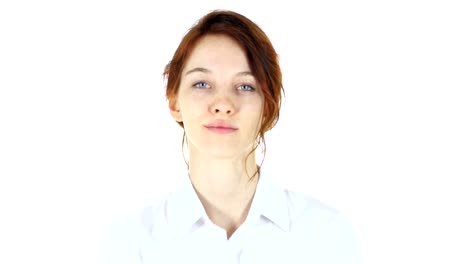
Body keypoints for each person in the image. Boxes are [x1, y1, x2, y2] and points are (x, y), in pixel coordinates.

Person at [105, 9, 362, 264]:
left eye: (245, 86)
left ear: (267, 107)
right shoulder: (131, 243)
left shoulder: (326, 235)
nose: (223, 104)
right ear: (174, 102)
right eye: (202, 84)